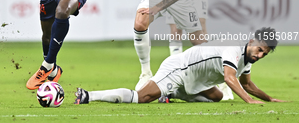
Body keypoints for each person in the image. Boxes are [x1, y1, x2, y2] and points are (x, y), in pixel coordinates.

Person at [74, 27, 286, 104]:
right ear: (251, 42)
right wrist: (249, 102)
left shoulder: (247, 58)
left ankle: (171, 95)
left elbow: (247, 84)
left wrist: (269, 98)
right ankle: (89, 96)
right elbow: (230, 78)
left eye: (263, 54)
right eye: (259, 50)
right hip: (179, 69)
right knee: (142, 98)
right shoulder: (233, 48)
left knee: (217, 96)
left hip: (195, 81)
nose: (259, 55)